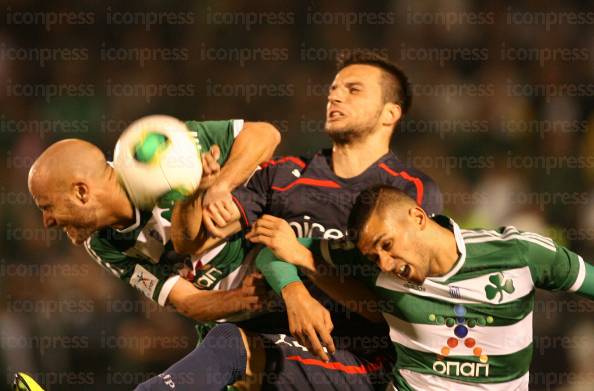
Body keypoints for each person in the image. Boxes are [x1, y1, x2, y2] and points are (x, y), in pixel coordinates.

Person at [164, 52, 442, 390]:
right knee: (224, 345)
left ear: (390, 113)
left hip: (351, 355)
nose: (335, 96)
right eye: (333, 90)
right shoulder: (283, 174)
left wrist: (301, 272)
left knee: (227, 346)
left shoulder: (409, 192)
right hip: (266, 339)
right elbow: (191, 241)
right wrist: (195, 191)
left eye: (354, 90)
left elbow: (394, 306)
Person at [251, 185, 594, 391]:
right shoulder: (372, 265)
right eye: (374, 256)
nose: (383, 264)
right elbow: (273, 250)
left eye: (387, 245)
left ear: (417, 217)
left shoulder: (518, 254)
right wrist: (294, 291)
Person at [27, 118, 280, 323]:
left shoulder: (157, 152)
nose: (47, 221)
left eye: (47, 207)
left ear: (81, 192)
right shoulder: (102, 244)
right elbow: (187, 302)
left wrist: (222, 185)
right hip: (243, 315)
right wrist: (248, 298)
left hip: (282, 252)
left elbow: (265, 134)